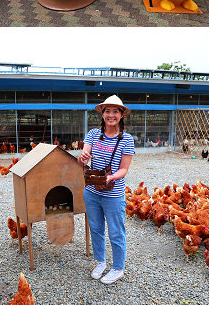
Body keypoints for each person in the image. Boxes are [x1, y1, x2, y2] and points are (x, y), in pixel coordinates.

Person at [77, 95, 135, 284]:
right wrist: (83, 157)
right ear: (102, 114)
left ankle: (118, 268)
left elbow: (124, 169)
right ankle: (100, 262)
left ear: (121, 115)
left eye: (115, 111)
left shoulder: (126, 139)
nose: (111, 115)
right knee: (96, 229)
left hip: (113, 194)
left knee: (116, 232)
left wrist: (111, 176)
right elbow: (83, 158)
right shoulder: (93, 134)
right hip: (92, 192)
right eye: (107, 111)